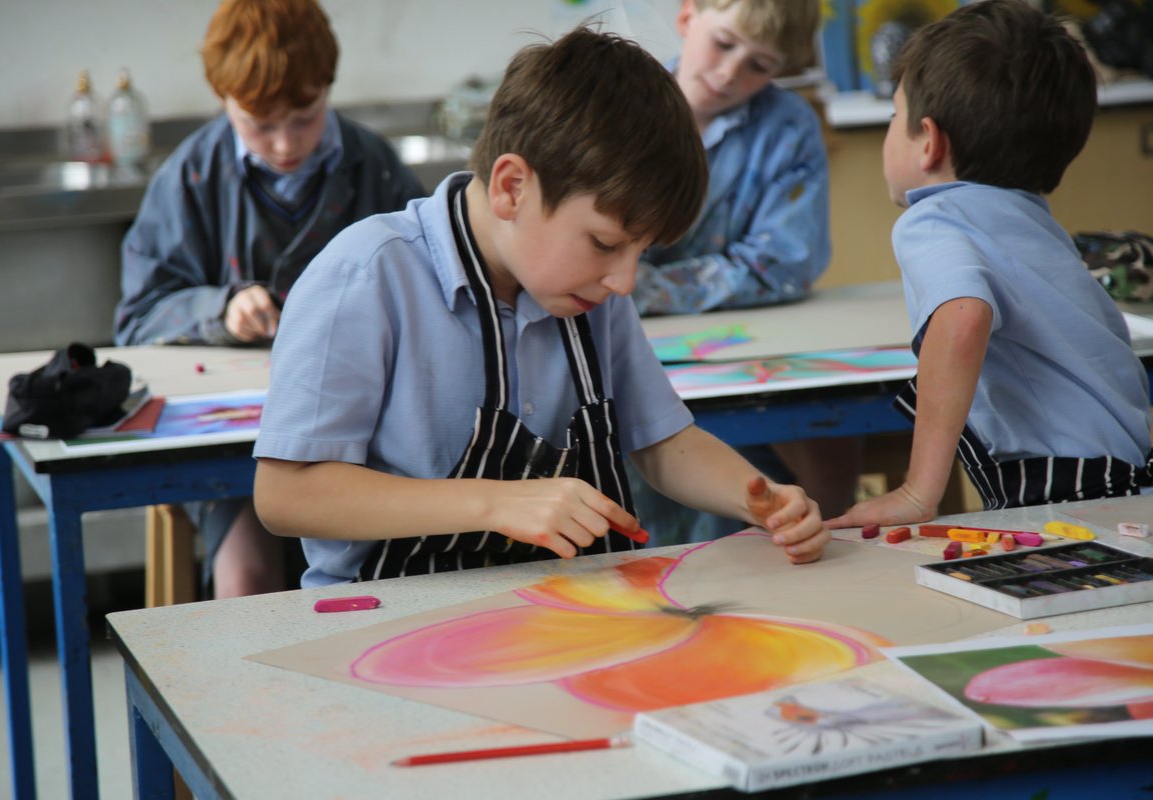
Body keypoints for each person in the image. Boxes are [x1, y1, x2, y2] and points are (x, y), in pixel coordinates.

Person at [252, 26, 829, 587]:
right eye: (605, 243)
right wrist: (494, 503)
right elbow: (287, 496)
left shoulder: (589, 290)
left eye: (642, 253)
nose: (625, 280)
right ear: (511, 188)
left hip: (565, 609)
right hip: (388, 622)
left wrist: (758, 497)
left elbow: (661, 442)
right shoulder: (368, 275)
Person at [114, 0, 425, 597]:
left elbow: (429, 284)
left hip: (367, 432)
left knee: (394, 571)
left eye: (305, 117)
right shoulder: (191, 178)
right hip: (241, 442)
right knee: (244, 578)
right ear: (223, 100)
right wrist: (220, 310)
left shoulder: (376, 168)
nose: (285, 143)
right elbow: (137, 315)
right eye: (259, 123)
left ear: (328, 88)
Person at [827, 0, 1153, 529]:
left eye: (894, 117)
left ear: (928, 141)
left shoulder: (933, 218)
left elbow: (963, 318)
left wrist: (916, 492)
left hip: (1061, 486)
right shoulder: (1030, 218)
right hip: (1125, 478)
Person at [629, 0, 862, 544]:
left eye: (760, 64)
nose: (732, 72)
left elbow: (783, 264)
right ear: (689, 18)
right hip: (628, 344)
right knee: (643, 503)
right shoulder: (624, 105)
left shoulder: (787, 126)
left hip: (732, 350)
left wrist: (654, 288)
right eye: (725, 43)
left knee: (802, 456)